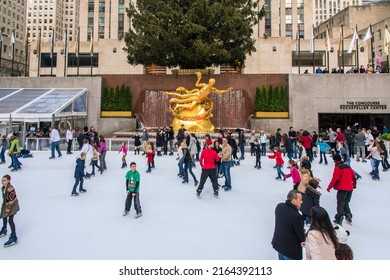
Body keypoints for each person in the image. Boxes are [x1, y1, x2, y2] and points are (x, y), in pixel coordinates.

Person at [165, 71, 233, 112]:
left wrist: (226, 90)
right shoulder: (204, 85)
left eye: (213, 83)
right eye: (211, 82)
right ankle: (170, 95)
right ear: (209, 82)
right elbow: (196, 84)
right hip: (196, 95)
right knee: (182, 97)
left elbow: (220, 91)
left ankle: (178, 105)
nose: (212, 83)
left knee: (190, 107)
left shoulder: (212, 89)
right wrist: (199, 79)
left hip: (198, 99)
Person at [271, 190, 305, 260]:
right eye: (300, 200)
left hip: (279, 245)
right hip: (290, 250)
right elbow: (301, 235)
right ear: (293, 200)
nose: (302, 202)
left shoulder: (279, 206)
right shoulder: (296, 216)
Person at [327, 153, 356, 225]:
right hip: (350, 188)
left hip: (342, 188)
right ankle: (348, 214)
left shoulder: (338, 167)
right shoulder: (348, 167)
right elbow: (354, 177)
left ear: (335, 160)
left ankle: (339, 218)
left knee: (340, 203)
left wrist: (329, 187)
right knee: (346, 202)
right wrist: (354, 186)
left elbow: (335, 178)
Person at [1, 174, 20, 247]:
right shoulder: (3, 188)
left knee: (10, 220)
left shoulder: (10, 189)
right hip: (7, 204)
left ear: (9, 181)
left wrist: (7, 210)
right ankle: (4, 229)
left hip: (12, 206)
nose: (2, 182)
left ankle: (14, 236)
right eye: (2, 180)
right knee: (4, 216)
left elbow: (11, 201)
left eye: (4, 180)